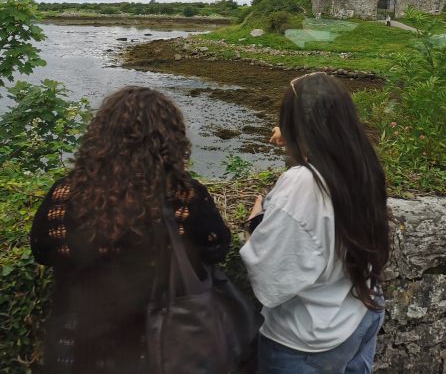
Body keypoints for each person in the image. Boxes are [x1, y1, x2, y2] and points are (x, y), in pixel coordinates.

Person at [31, 86, 231, 374]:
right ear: (170, 141)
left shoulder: (66, 192)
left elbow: (42, 250)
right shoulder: (184, 195)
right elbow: (216, 248)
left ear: (101, 137)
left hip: (78, 345)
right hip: (158, 347)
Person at [240, 72, 389, 374]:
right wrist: (297, 143)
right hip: (361, 312)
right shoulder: (363, 164)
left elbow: (271, 280)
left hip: (309, 340)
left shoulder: (302, 185)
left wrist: (255, 223)